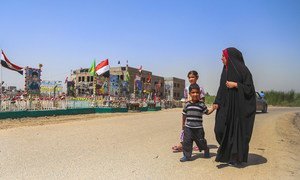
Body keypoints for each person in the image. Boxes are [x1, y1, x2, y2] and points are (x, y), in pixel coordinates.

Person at [213, 47, 256, 165]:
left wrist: (236, 85)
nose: (221, 58)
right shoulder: (225, 70)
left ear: (230, 57)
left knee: (236, 133)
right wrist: (216, 101)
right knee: (219, 130)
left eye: (223, 56)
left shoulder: (243, 71)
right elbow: (221, 88)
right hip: (224, 106)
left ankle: (235, 157)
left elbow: (250, 89)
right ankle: (226, 150)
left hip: (238, 109)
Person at [180, 84, 215, 162]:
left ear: (199, 93)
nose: (195, 94)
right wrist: (183, 126)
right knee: (187, 142)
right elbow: (184, 115)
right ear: (190, 94)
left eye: (197, 92)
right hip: (188, 128)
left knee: (201, 142)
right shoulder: (187, 105)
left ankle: (206, 149)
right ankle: (187, 156)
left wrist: (213, 108)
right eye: (193, 92)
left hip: (198, 129)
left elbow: (207, 112)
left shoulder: (201, 104)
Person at [172, 70, 205, 152]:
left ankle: (199, 144)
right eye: (189, 77)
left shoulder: (200, 89)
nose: (191, 79)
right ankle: (183, 144)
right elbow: (186, 98)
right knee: (185, 127)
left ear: (197, 78)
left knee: (197, 128)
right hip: (188, 110)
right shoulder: (186, 88)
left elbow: (203, 100)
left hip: (196, 112)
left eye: (193, 77)